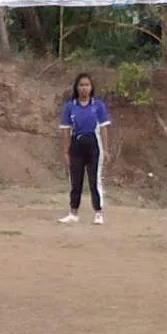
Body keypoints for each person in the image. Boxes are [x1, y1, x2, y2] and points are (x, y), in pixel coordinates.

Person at [58, 73, 111, 225]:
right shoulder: (70, 107)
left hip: (94, 145)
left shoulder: (98, 105)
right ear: (76, 87)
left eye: (87, 85)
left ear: (91, 87)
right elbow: (66, 130)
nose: (84, 88)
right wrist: (66, 151)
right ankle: (73, 212)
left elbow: (104, 128)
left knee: (94, 180)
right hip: (76, 146)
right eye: (81, 85)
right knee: (76, 181)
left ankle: (98, 213)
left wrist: (106, 149)